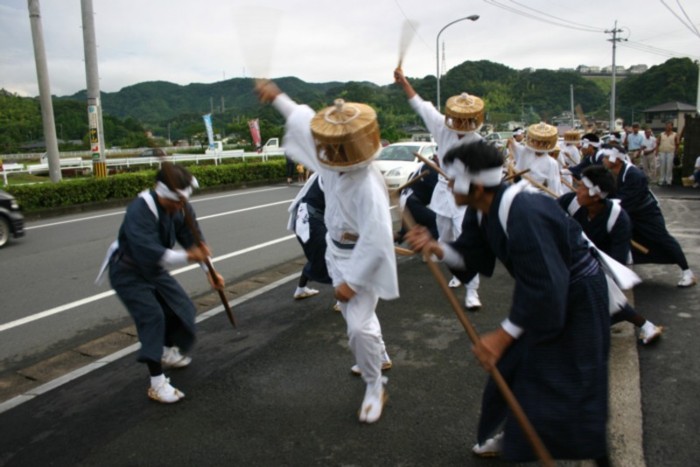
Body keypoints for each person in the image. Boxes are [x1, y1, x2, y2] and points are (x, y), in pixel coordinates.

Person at [404, 140, 611, 464]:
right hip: (546, 294)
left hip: (577, 294)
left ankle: (596, 456)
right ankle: (519, 432)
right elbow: (471, 257)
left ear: (474, 185)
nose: (446, 180)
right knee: (517, 368)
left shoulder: (524, 212)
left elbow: (546, 286)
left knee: (572, 382)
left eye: (452, 176)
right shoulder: (483, 209)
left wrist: (502, 336)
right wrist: (436, 247)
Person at [256, 80, 398, 424]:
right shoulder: (330, 163)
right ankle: (377, 357)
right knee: (360, 322)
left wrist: (352, 280)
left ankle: (375, 383)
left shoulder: (366, 184)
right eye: (327, 146)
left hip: (360, 261)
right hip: (337, 254)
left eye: (335, 147)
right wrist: (277, 97)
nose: (327, 150)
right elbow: (303, 119)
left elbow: (378, 239)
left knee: (357, 329)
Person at [97, 163, 223, 403]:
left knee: (182, 307)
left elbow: (193, 239)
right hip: (127, 271)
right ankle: (157, 383)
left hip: (153, 270)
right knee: (153, 317)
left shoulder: (181, 207)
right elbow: (150, 251)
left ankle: (166, 349)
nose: (180, 206)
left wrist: (210, 271)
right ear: (162, 193)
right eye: (176, 202)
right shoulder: (139, 210)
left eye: (182, 202)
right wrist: (189, 257)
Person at [394, 66, 482, 310]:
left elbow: (484, 179)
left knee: (465, 240)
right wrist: (404, 83)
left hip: (465, 198)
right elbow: (422, 106)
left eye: (468, 120)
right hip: (443, 193)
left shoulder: (479, 144)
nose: (463, 124)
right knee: (445, 238)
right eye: (460, 119)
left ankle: (472, 291)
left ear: (475, 120)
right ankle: (457, 274)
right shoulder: (443, 128)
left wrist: (464, 184)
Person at [558, 165, 663, 344]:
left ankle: (645, 326)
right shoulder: (571, 202)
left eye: (582, 187)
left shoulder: (618, 218)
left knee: (605, 296)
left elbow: (618, 259)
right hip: (574, 259)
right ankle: (645, 325)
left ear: (596, 195)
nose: (578, 190)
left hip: (603, 263)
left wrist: (602, 280)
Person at [600, 146, 696, 287]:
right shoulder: (614, 172)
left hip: (647, 214)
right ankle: (619, 271)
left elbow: (626, 199)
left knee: (663, 239)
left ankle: (687, 272)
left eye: (607, 157)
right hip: (630, 213)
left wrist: (604, 203)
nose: (604, 160)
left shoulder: (634, 175)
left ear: (617, 159)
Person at [286, 172, 332, 300]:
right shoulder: (330, 176)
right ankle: (342, 300)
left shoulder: (324, 173)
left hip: (305, 220)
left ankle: (300, 290)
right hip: (310, 221)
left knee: (316, 256)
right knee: (331, 257)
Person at [514, 122, 563, 196]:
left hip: (540, 195)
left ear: (546, 144)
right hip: (523, 192)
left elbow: (554, 185)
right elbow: (518, 170)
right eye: (536, 141)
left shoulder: (552, 162)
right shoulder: (526, 153)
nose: (538, 144)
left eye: (542, 143)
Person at [656, 122, 679, 186]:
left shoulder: (675, 134)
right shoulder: (661, 134)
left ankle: (669, 180)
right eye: (667, 126)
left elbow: (677, 144)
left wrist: (676, 152)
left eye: (670, 126)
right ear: (665, 127)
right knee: (662, 166)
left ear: (672, 127)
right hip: (662, 151)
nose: (668, 127)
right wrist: (657, 151)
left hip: (671, 152)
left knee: (669, 167)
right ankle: (661, 180)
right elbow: (657, 143)